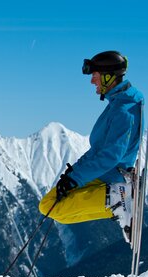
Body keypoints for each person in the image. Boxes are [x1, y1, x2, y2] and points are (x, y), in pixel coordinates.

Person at [39, 51, 144, 243]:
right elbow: (98, 150)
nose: (92, 81)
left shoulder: (124, 110)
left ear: (107, 76)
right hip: (103, 173)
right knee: (49, 207)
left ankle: (118, 199)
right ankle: (117, 204)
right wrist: (72, 176)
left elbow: (111, 155)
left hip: (111, 175)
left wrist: (76, 178)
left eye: (94, 76)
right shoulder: (118, 103)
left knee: (52, 206)